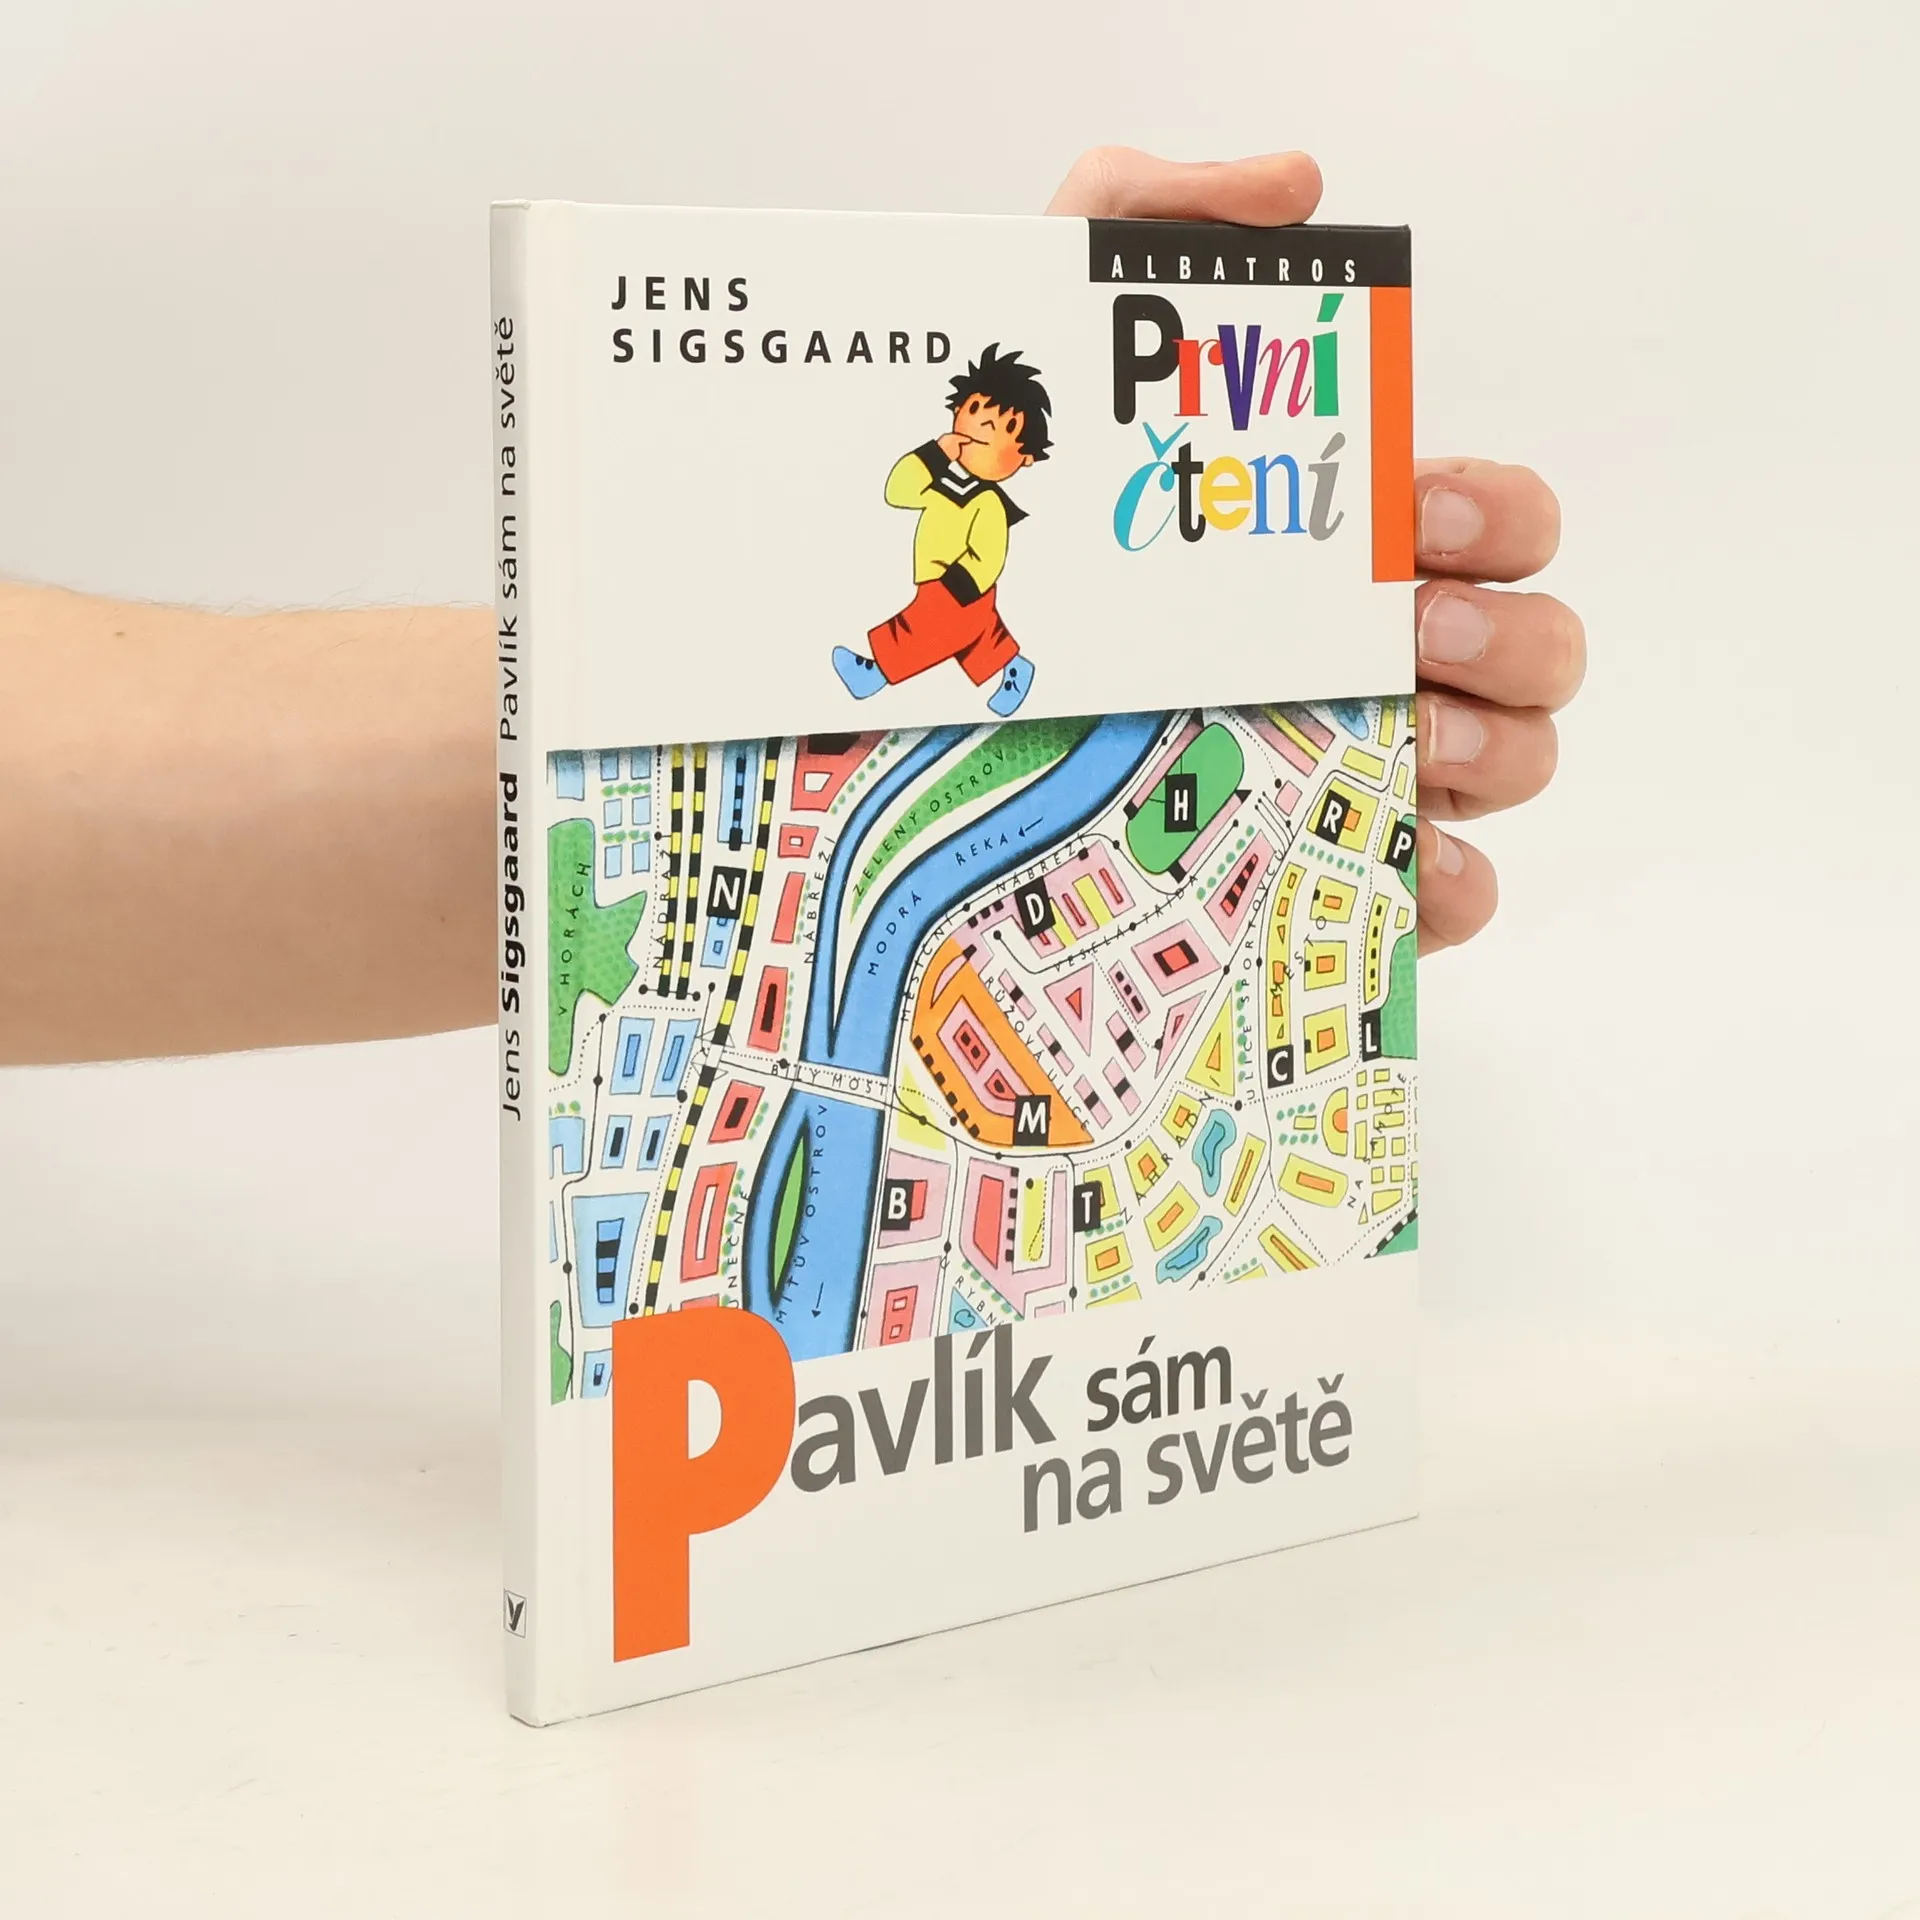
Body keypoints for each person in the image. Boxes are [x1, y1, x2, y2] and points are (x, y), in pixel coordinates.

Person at [0, 145, 1584, 1069]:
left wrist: (1019, 460)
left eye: (994, 424)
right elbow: (899, 495)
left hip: (961, 611)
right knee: (933, 640)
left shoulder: (994, 492)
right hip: (941, 611)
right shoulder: (948, 484)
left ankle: (946, 674)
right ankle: (936, 673)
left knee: (948, 640)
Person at [836, 343, 1052, 717]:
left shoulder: (989, 503)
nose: (986, 426)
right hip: (940, 583)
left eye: (1007, 426)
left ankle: (876, 672)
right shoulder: (941, 483)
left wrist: (958, 585)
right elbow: (897, 491)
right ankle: (1014, 667)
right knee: (979, 640)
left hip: (959, 587)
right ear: (957, 412)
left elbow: (988, 555)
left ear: (1025, 457)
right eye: (976, 410)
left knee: (918, 632)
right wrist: (934, 454)